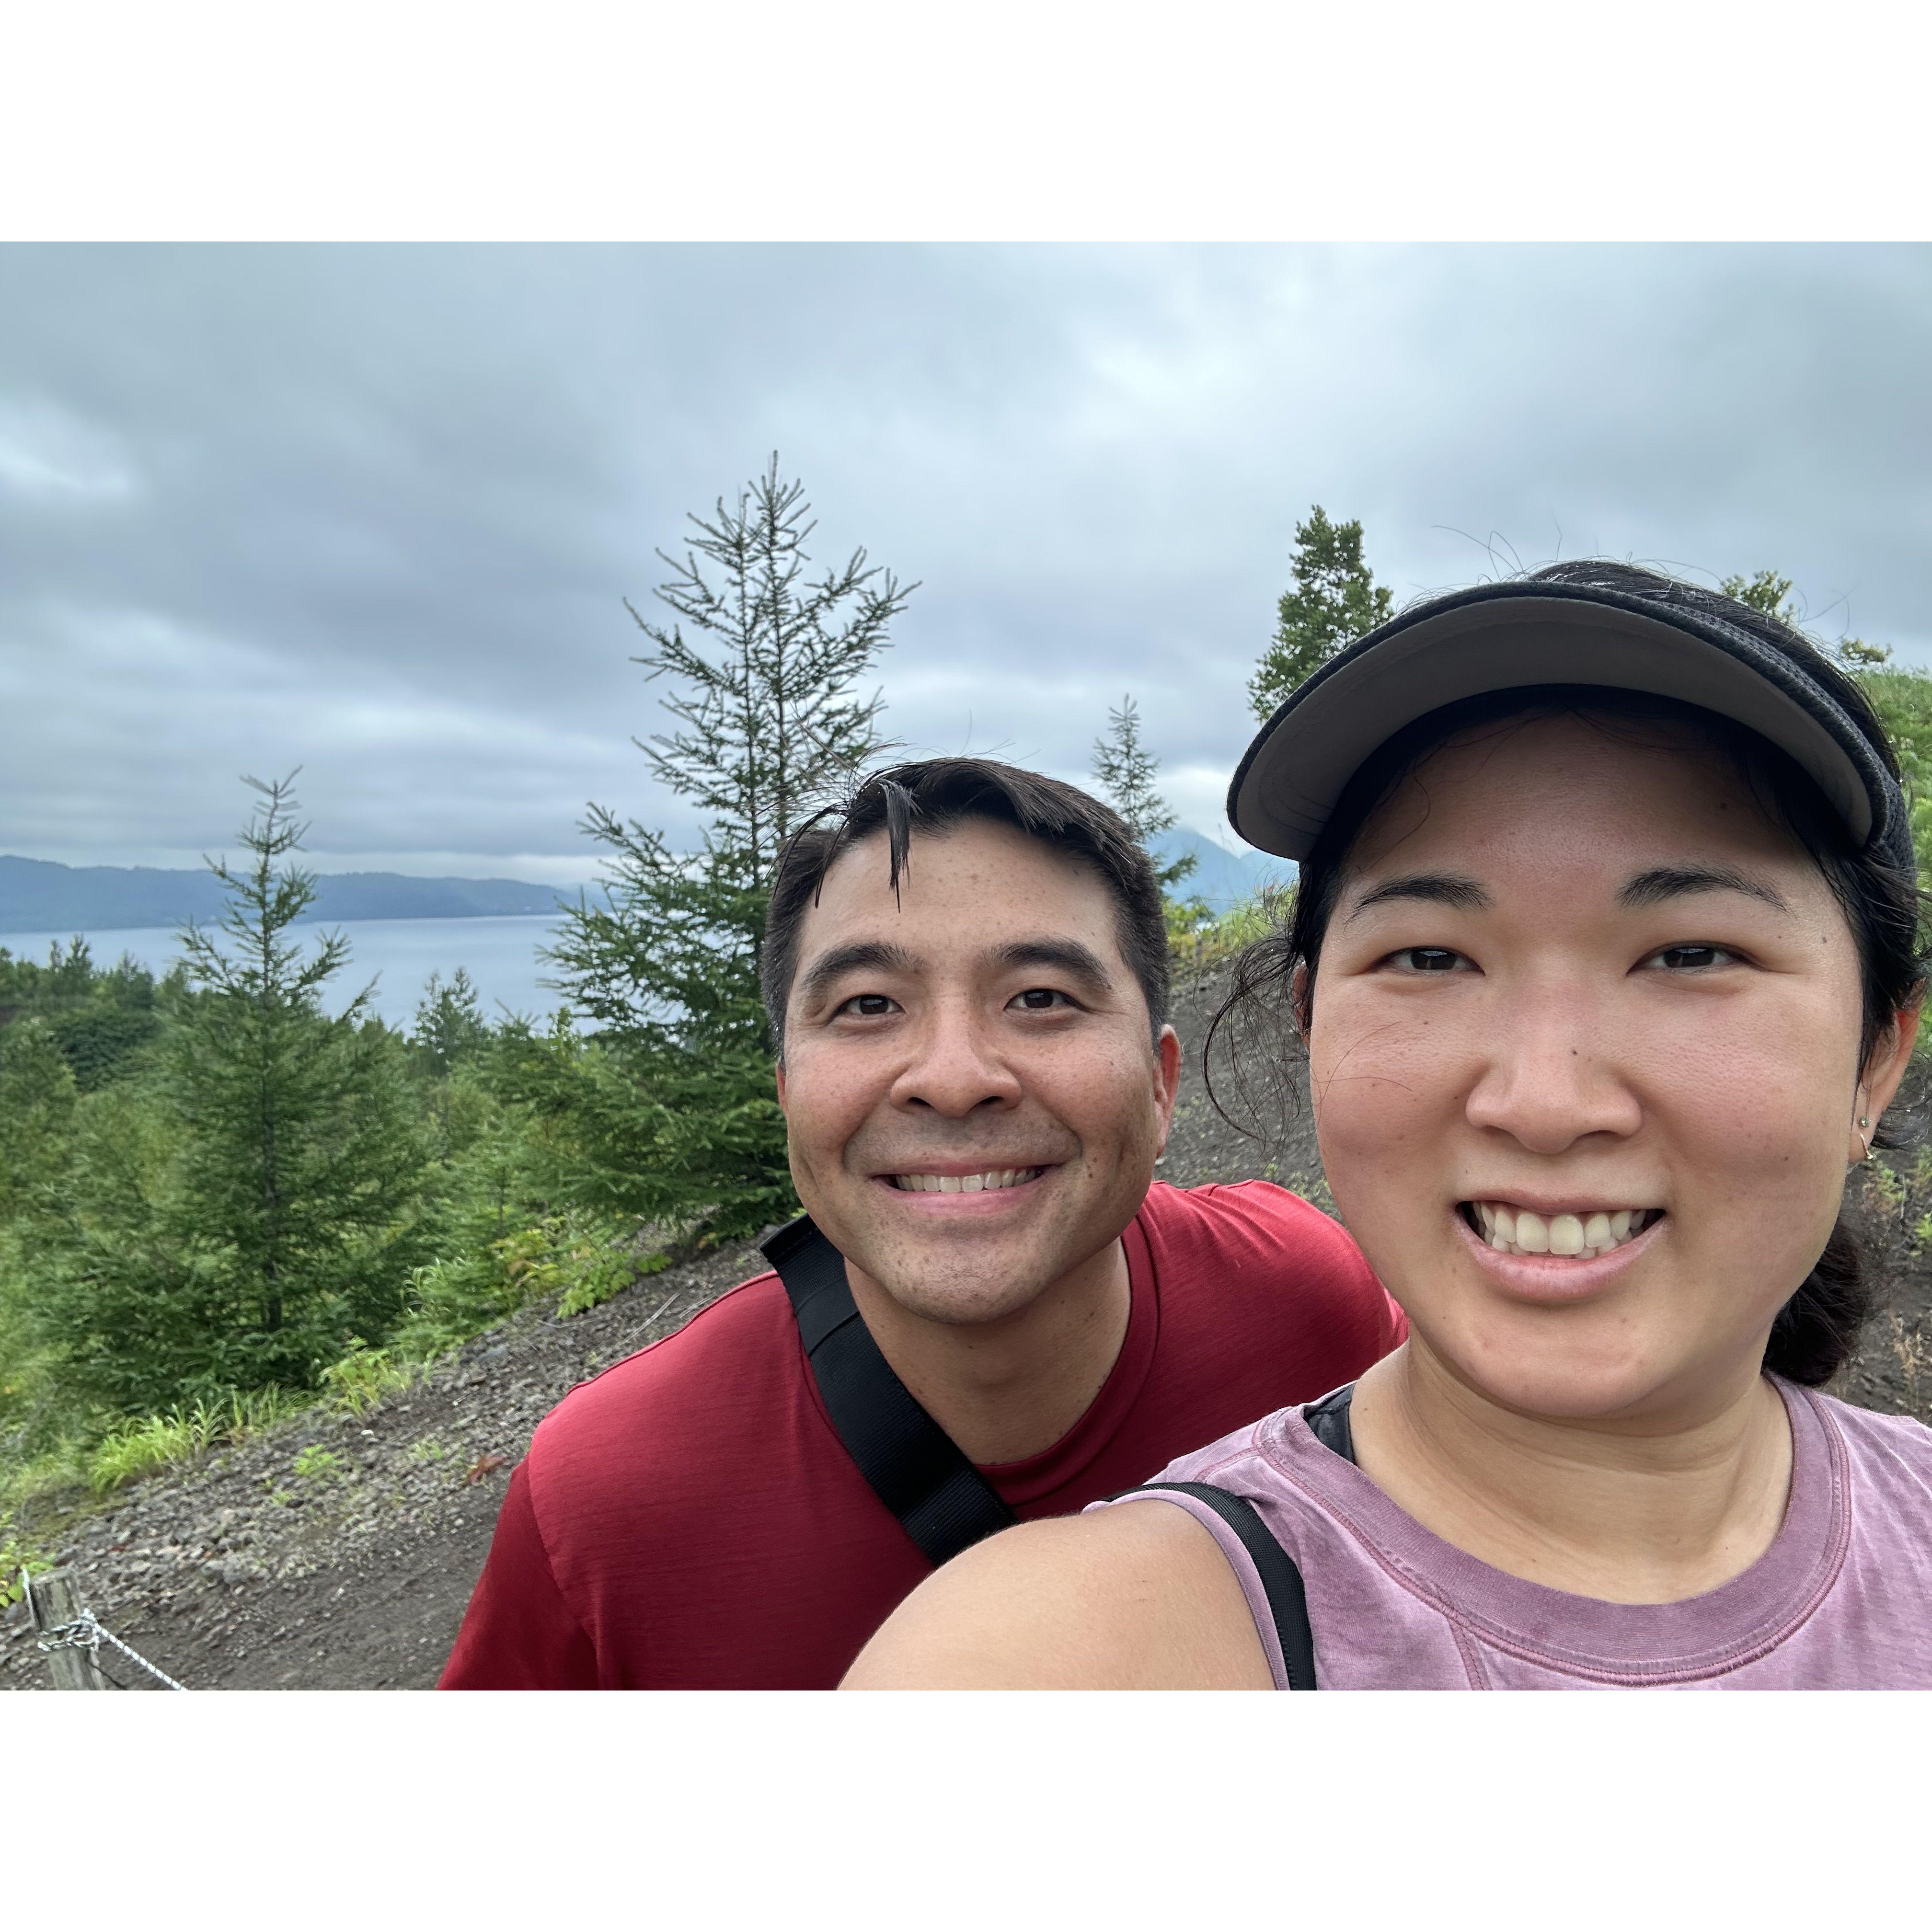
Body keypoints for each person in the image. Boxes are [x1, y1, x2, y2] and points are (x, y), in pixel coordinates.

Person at [844, 564, 1932, 1690]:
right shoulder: (1054, 1658)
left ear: (1876, 1060)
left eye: (1691, 954)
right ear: (1313, 1028)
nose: (1544, 1103)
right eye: (1428, 957)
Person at [441, 758, 1405, 1689]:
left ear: (1159, 1087)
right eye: (867, 1006)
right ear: (790, 1095)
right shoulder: (606, 1502)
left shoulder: (1311, 1305)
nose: (951, 1078)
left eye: (1040, 998)